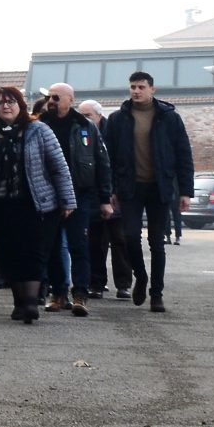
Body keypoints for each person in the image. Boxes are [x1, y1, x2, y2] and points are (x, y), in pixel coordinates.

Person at [0, 86, 75, 324]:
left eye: (10, 102)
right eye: (0, 103)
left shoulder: (39, 130)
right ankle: (19, 303)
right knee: (8, 254)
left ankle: (30, 303)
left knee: (34, 254)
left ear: (21, 105)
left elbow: (59, 167)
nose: (5, 106)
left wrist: (67, 200)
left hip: (37, 205)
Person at [103, 71, 194, 313]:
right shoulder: (117, 119)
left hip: (160, 188)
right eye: (133, 86)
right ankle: (140, 277)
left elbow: (184, 155)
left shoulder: (169, 118)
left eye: (141, 87)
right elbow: (107, 158)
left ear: (152, 89)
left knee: (157, 242)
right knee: (130, 236)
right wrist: (110, 188)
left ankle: (157, 293)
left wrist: (185, 191)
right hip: (130, 188)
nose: (136, 91)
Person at [37, 83, 111, 316]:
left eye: (56, 97)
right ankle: (58, 294)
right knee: (50, 246)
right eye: (49, 97)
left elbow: (102, 162)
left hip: (80, 194)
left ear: (70, 99)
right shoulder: (40, 125)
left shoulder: (85, 126)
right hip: (48, 194)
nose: (51, 101)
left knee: (79, 245)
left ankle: (80, 294)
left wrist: (105, 198)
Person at [79, 99, 132, 299]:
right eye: (82, 115)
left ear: (99, 116)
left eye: (88, 115)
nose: (84, 119)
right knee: (95, 242)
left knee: (120, 240)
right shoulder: (81, 133)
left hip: (115, 194)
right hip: (92, 197)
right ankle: (97, 283)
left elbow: (120, 163)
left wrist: (114, 191)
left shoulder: (114, 132)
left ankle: (124, 284)